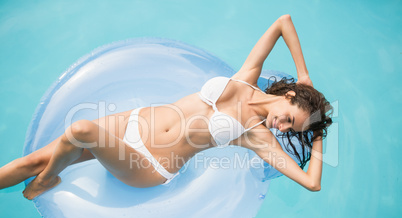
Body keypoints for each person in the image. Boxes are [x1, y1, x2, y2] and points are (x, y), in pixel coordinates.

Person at [0, 15, 332, 200]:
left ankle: (46, 181)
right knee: (30, 160)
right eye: (289, 119)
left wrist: (315, 132)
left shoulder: (258, 137)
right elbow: (282, 22)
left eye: (292, 130)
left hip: (148, 164)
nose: (282, 128)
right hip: (131, 124)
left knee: (80, 130)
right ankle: (41, 175)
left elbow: (311, 182)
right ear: (290, 95)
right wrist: (304, 75)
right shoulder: (246, 78)